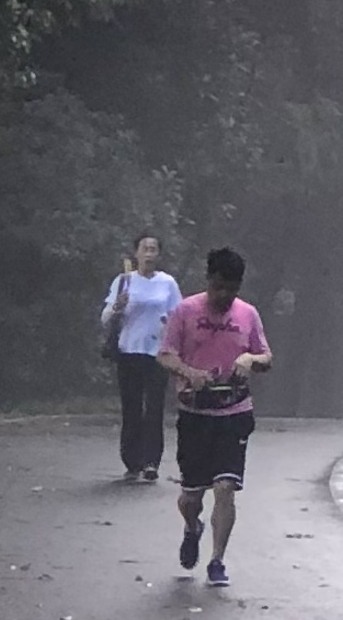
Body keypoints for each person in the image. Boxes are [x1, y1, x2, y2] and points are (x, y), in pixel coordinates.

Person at [160, 247, 272, 587]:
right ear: (209, 281)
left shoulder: (248, 315)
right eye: (219, 287)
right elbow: (164, 355)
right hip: (195, 412)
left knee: (225, 487)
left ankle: (217, 560)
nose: (225, 296)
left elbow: (267, 357)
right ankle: (193, 527)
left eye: (232, 289)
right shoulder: (185, 311)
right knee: (192, 495)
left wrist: (250, 360)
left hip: (234, 411)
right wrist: (188, 371)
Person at [100, 234, 184, 481]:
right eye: (144, 249)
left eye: (153, 249)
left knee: (154, 407)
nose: (149, 253)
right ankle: (131, 460)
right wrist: (118, 305)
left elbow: (178, 315)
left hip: (157, 352)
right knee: (132, 407)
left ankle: (151, 461)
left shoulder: (167, 283)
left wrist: (170, 327)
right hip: (129, 351)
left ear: (159, 254)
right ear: (135, 254)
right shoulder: (124, 281)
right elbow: (105, 318)